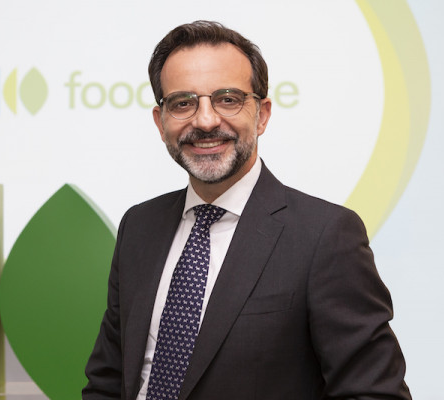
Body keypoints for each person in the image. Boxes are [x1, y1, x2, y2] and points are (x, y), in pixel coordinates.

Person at [82, 20, 411, 400]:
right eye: (183, 103)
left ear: (263, 114)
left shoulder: (325, 236)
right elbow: (107, 382)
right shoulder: (139, 226)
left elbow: (374, 393)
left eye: (228, 99)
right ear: (161, 122)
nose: (205, 121)